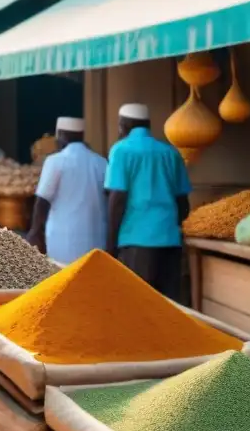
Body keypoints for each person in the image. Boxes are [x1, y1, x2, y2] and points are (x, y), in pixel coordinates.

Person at [105, 103, 192, 302]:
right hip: (170, 241)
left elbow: (117, 199)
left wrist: (110, 246)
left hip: (136, 242)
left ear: (122, 126)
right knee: (169, 307)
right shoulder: (170, 152)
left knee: (138, 306)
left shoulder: (121, 150)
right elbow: (182, 201)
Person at [27, 117, 108, 265]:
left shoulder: (55, 161)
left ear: (61, 136)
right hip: (96, 240)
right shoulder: (101, 163)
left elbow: (42, 201)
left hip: (63, 242)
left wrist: (35, 231)